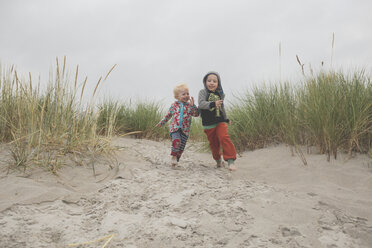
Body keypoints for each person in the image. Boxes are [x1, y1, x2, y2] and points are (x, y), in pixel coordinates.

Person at [198, 71, 237, 171]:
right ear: (205, 82)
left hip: (220, 121)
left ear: (218, 83)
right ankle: (218, 160)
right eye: (209, 80)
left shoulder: (220, 94)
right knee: (214, 145)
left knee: (224, 137)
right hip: (208, 124)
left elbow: (222, 107)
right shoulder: (203, 92)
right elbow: (201, 104)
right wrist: (212, 104)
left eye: (214, 81)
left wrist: (226, 118)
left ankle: (230, 161)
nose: (211, 83)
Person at [157, 83, 199, 167]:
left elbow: (196, 114)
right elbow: (168, 115)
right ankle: (173, 157)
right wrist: (162, 122)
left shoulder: (189, 106)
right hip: (175, 129)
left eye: (187, 94)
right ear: (177, 96)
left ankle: (176, 159)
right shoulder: (174, 105)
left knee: (181, 148)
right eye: (183, 94)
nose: (186, 95)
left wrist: (193, 106)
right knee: (176, 141)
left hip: (185, 130)